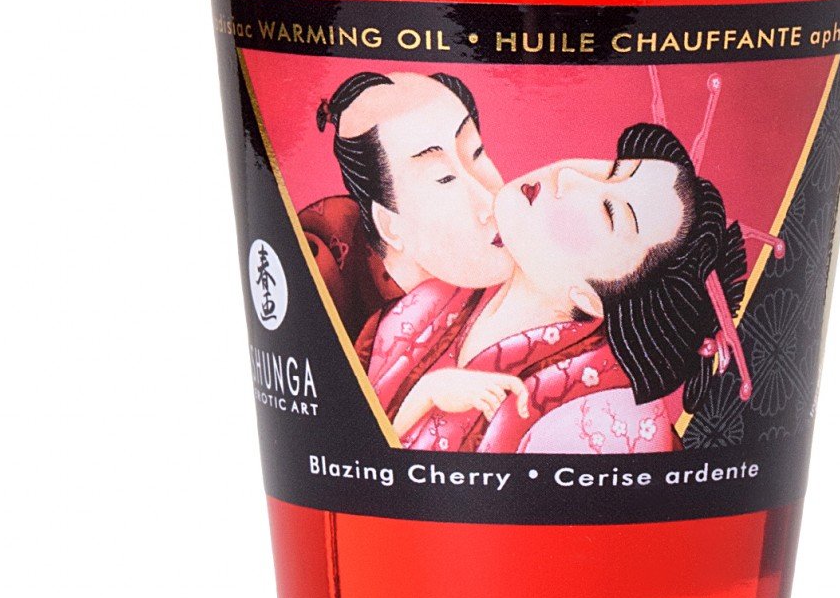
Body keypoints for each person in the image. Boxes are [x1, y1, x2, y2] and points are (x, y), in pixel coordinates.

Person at [366, 123, 748, 455]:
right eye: (612, 170)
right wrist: (427, 394)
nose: (569, 176)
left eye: (610, 211)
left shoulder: (601, 418)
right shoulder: (434, 300)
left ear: (593, 298)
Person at [301, 71, 514, 347]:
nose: (490, 203)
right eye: (444, 178)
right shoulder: (323, 272)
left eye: (476, 152)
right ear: (389, 225)